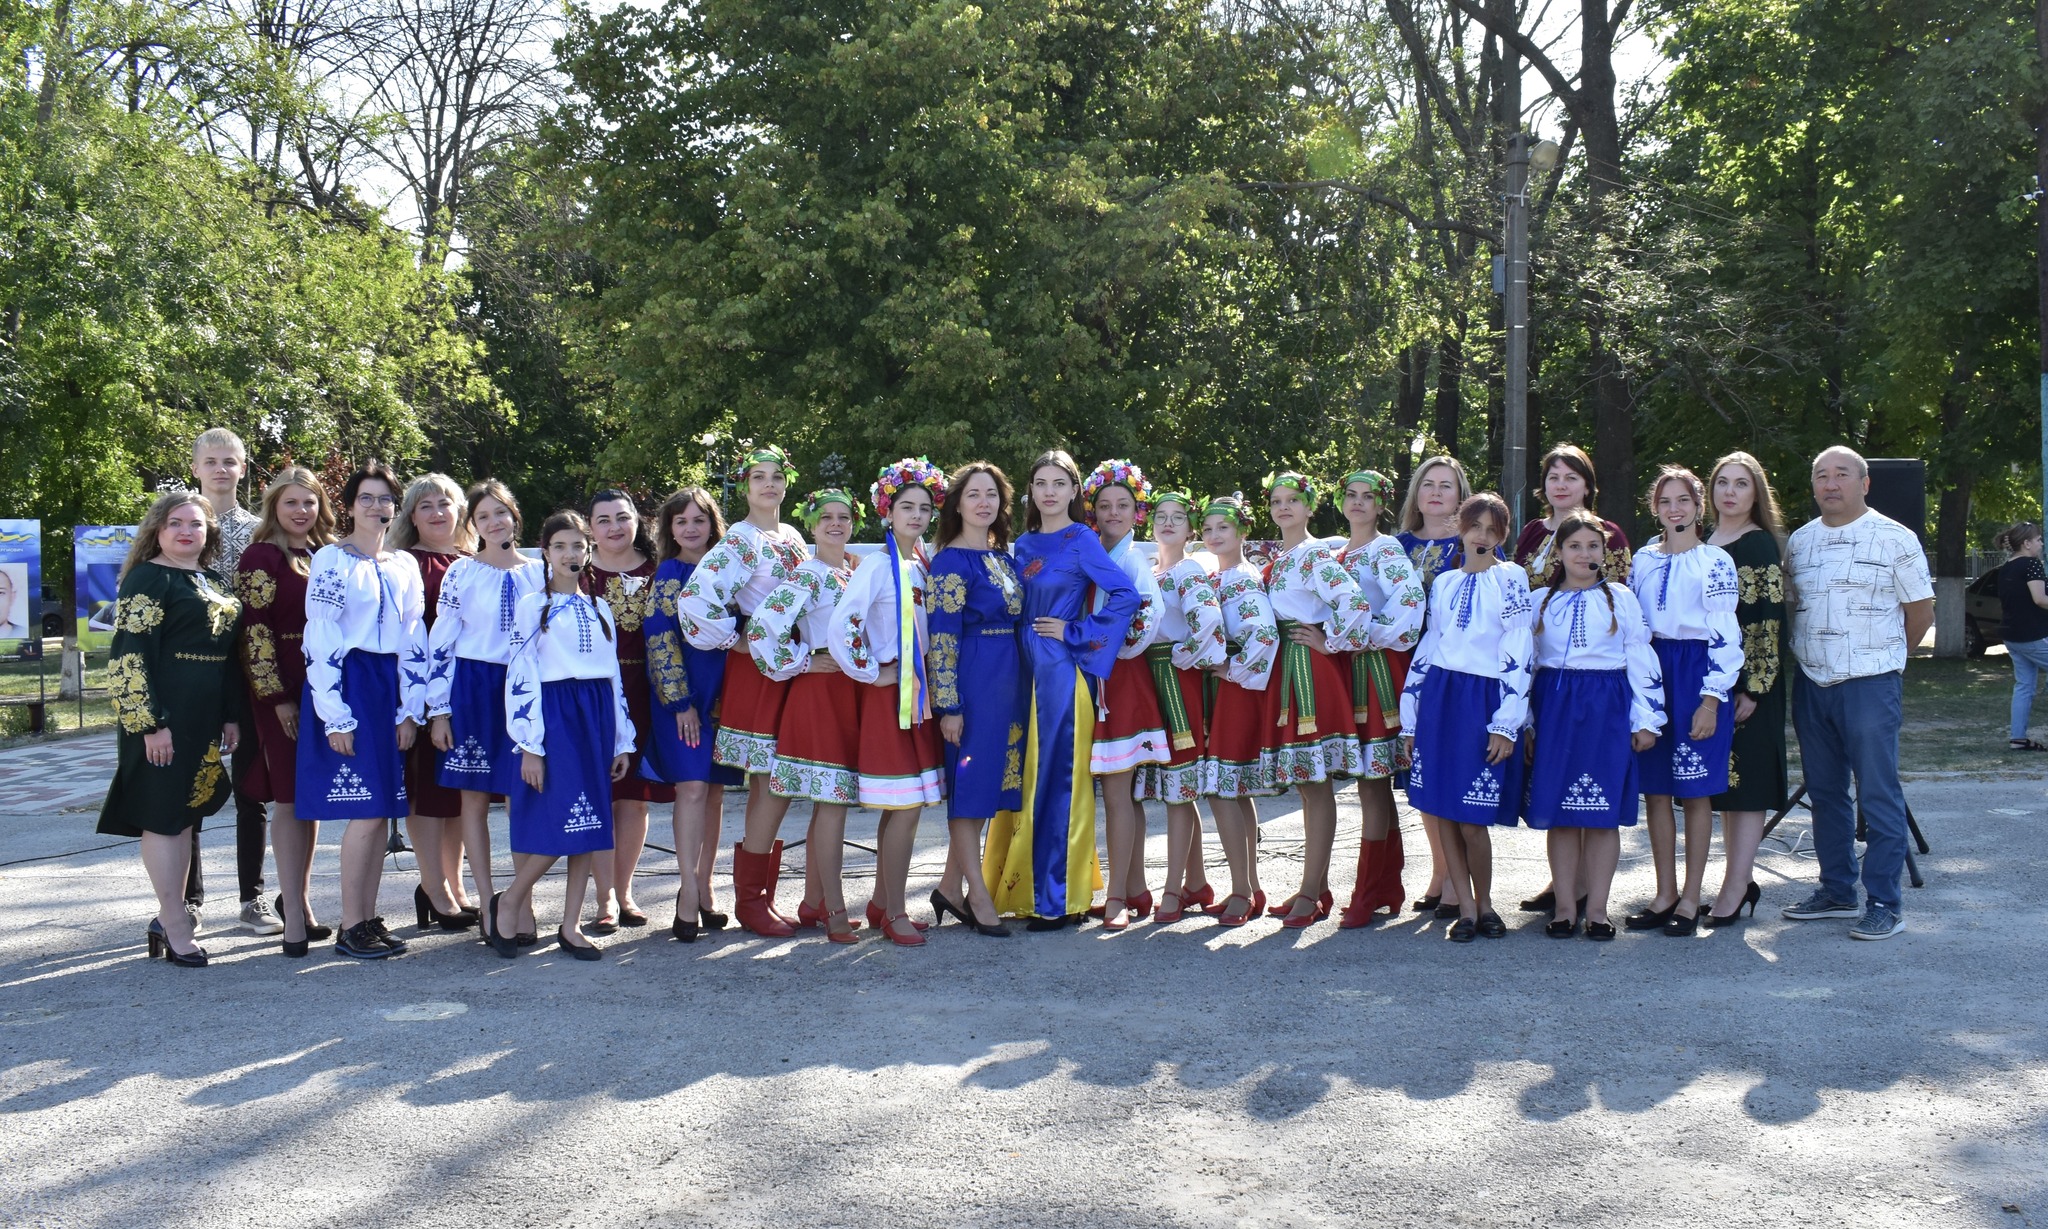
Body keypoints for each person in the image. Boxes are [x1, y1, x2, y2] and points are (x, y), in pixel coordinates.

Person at [1781, 445, 1934, 941]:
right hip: (1812, 683)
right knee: (1825, 792)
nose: (1831, 483)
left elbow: (1921, 614)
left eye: (1842, 474)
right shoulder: (1800, 542)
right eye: (1821, 475)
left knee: (1878, 793)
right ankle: (1837, 891)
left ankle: (1885, 903)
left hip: (1870, 684)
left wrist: (1883, 660)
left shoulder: (1896, 538)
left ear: (1864, 483)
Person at [983, 450, 1140, 930]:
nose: (1049, 491)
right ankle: (1017, 890)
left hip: (1059, 673)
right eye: (1040, 483)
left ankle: (1058, 899)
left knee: (1058, 781)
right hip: (1020, 671)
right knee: (1022, 778)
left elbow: (1126, 595)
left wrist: (1075, 632)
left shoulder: (1081, 539)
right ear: (1030, 491)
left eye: (1059, 483)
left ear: (1074, 491)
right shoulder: (1023, 544)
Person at [97, 490, 244, 966]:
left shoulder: (214, 580)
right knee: (163, 815)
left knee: (185, 817)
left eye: (196, 523)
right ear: (157, 530)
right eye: (175, 523)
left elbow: (226, 658)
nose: (186, 531)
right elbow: (128, 657)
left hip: (204, 717)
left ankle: (170, 916)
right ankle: (176, 921)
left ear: (209, 531)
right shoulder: (148, 577)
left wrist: (230, 713)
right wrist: (150, 724)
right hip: (163, 718)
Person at [487, 512, 636, 961]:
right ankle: (511, 899)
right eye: (560, 546)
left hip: (595, 717)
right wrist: (530, 745)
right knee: (563, 820)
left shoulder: (600, 608)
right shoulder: (533, 605)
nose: (570, 554)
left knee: (588, 825)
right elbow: (520, 674)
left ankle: (570, 927)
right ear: (546, 553)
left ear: (588, 552)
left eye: (577, 546)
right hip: (555, 716)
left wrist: (621, 739)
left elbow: (612, 677)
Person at [676, 446, 811, 935]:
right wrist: (736, 640)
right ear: (745, 485)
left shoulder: (792, 536)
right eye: (759, 477)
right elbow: (695, 600)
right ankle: (752, 902)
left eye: (776, 476)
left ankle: (759, 899)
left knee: (774, 783)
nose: (769, 484)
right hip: (760, 669)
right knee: (771, 780)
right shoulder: (741, 538)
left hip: (791, 663)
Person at [297, 461, 427, 960]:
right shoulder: (332, 559)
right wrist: (335, 715)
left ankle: (367, 918)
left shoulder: (404, 564)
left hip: (388, 684)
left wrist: (410, 708)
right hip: (350, 682)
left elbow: (413, 636)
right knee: (368, 811)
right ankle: (351, 925)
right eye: (366, 498)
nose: (377, 507)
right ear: (350, 506)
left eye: (385, 498)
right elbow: (321, 634)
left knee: (384, 808)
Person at [1524, 510, 1664, 941]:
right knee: (1562, 815)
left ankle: (1598, 910)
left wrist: (1647, 718)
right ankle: (1566, 907)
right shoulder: (1539, 601)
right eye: (1574, 546)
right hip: (1555, 709)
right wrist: (1525, 722)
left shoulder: (1620, 598)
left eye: (1592, 546)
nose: (1584, 554)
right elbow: (1526, 666)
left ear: (1604, 551)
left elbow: (1640, 656)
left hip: (1607, 709)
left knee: (1601, 817)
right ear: (1559, 552)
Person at [1399, 493, 1531, 944]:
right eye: (1475, 526)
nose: (1482, 536)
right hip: (1441, 697)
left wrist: (1506, 723)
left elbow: (1519, 650)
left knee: (1473, 818)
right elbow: (1430, 645)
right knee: (1443, 811)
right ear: (1461, 528)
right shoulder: (1445, 583)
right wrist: (1411, 717)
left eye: (1492, 529)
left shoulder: (1511, 578)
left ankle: (1487, 902)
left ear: (1503, 536)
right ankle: (1467, 910)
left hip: (1483, 699)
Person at [828, 458, 950, 946]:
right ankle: (894, 910)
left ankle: (883, 902)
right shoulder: (878, 565)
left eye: (924, 508)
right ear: (888, 511)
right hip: (893, 697)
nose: (916, 515)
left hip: (918, 693)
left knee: (905, 806)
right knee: (905, 806)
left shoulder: (920, 563)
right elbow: (843, 624)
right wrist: (871, 672)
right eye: (906, 507)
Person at [1625, 466, 1742, 937]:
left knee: (1695, 792)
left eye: (1683, 501)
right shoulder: (1642, 560)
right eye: (1665, 501)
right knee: (1656, 790)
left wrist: (1711, 701)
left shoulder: (1715, 561)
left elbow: (1726, 635)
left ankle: (1692, 898)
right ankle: (1665, 893)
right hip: (1653, 670)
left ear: (1698, 506)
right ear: (1655, 508)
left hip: (1697, 672)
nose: (1674, 509)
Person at [424, 481, 542, 932]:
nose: (495, 522)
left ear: (515, 516)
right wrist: (439, 710)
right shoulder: (462, 573)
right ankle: (489, 902)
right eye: (484, 516)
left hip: (523, 689)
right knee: (472, 799)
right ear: (473, 525)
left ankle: (521, 903)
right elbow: (442, 641)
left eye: (501, 512)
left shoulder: (540, 572)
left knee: (519, 797)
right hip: (473, 689)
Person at [746, 487, 863, 944]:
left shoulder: (853, 570)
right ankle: (834, 909)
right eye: (826, 517)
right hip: (820, 693)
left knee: (832, 800)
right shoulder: (809, 575)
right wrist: (804, 661)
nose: (835, 523)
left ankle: (814, 900)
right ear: (812, 525)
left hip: (851, 690)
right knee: (830, 801)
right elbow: (762, 626)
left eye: (843, 516)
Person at [1259, 470, 1371, 929]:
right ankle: (1315, 885)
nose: (1284, 507)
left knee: (1316, 781)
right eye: (1277, 501)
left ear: (1309, 507)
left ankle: (1312, 891)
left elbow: (1354, 602)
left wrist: (1331, 642)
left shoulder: (1312, 555)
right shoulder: (1282, 557)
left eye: (1293, 500)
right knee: (1307, 785)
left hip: (1309, 668)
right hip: (1288, 667)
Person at [235, 467, 337, 956]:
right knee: (290, 798)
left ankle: (300, 899)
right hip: (284, 685)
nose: (301, 511)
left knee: (311, 796)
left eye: (309, 502)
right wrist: (276, 698)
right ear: (274, 505)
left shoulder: (327, 553)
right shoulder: (261, 556)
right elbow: (253, 631)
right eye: (291, 502)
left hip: (328, 683)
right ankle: (292, 914)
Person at [926, 463, 1025, 937]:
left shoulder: (1004, 559)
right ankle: (978, 896)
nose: (983, 502)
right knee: (969, 791)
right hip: (974, 680)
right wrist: (949, 706)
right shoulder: (949, 562)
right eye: (973, 494)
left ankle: (949, 886)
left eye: (991, 494)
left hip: (1008, 679)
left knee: (987, 787)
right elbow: (941, 638)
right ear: (957, 504)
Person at [643, 487, 745, 941]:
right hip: (682, 700)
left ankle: (705, 886)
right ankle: (686, 891)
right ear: (670, 528)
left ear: (712, 525)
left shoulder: (729, 572)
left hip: (725, 696)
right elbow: (659, 638)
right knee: (691, 789)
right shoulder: (669, 573)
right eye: (681, 521)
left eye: (698, 520)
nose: (690, 528)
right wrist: (680, 703)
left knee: (715, 794)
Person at [187, 427, 276, 935]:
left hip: (246, 672)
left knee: (250, 789)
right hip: (194, 672)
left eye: (230, 461)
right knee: (189, 790)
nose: (221, 469)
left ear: (243, 467)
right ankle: (188, 901)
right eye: (211, 461)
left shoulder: (260, 531)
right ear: (196, 467)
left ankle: (252, 899)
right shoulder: (180, 523)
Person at [1330, 471, 1426, 929]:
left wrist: (1356, 637)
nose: (1358, 503)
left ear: (1381, 505)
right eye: (1351, 495)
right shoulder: (1335, 553)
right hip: (1346, 670)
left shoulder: (1385, 549)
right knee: (1373, 784)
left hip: (1375, 672)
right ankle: (1387, 885)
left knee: (1372, 781)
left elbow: (1409, 604)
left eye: (1368, 497)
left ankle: (1367, 892)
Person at [1080, 459, 1170, 931]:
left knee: (1117, 792)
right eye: (1105, 505)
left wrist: (1106, 650)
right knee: (1124, 794)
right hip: (1101, 677)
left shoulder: (1133, 559)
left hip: (1119, 679)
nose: (1113, 513)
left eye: (1123, 505)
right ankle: (1134, 886)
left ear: (1137, 512)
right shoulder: (1094, 550)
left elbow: (1148, 617)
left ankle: (1116, 895)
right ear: (1093, 511)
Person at [387, 474, 477, 929]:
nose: (438, 512)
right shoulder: (404, 563)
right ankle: (433, 886)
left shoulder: (474, 562)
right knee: (425, 790)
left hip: (469, 689)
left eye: (445, 503)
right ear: (411, 516)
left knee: (459, 792)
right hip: (422, 688)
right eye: (426, 506)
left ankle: (454, 885)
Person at [1704, 452, 1790, 926]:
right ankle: (1734, 881)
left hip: (1749, 683)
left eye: (1741, 484)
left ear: (1756, 493)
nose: (1730, 492)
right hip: (1710, 681)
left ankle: (1737, 885)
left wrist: (1754, 688)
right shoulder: (1705, 541)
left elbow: (1766, 620)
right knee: (1725, 788)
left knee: (1748, 785)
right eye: (1723, 482)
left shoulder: (1756, 544)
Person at [1395, 455, 1478, 918]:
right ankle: (1440, 870)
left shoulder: (1475, 545)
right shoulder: (1396, 546)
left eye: (1447, 485)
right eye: (1428, 484)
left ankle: (1457, 879)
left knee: (1454, 768)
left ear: (1461, 495)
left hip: (1457, 672)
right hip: (1401, 667)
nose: (1436, 492)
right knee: (1423, 772)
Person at [1137, 489, 1225, 923]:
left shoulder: (1188, 569)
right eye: (1161, 516)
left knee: (1179, 784)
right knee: (1175, 786)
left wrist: (1180, 657)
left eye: (1178, 517)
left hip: (1174, 676)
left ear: (1191, 529)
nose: (1168, 523)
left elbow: (1208, 622)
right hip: (1147, 676)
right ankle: (1196, 882)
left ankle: (1172, 889)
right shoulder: (1150, 569)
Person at [1197, 493, 1278, 926]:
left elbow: (1264, 635)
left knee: (1221, 788)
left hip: (1239, 689)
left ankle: (1242, 890)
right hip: (1231, 687)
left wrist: (1231, 668)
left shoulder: (1242, 578)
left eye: (1223, 527)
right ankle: (1250, 886)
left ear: (1243, 531)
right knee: (1235, 788)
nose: (1214, 535)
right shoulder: (1220, 575)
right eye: (1207, 528)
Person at [1512, 443, 1632, 587]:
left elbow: (1621, 590)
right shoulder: (1532, 532)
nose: (1561, 486)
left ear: (1587, 487)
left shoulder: (1608, 534)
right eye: (1554, 478)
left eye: (1571, 478)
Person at [1993, 522, 2048, 751]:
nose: (2041, 543)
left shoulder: (2006, 567)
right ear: (2026, 543)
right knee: (2024, 685)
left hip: (2013, 636)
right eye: (2038, 540)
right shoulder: (2032, 564)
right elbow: (2040, 599)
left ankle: (2018, 739)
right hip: (2032, 635)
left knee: (2024, 686)